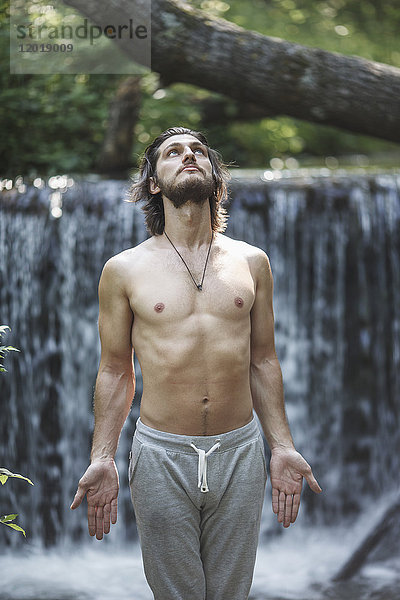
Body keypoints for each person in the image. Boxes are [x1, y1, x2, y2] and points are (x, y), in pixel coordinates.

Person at [71, 126, 322, 600]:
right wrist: (102, 457)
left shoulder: (252, 263)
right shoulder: (124, 270)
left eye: (198, 151)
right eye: (173, 152)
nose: (189, 155)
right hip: (161, 455)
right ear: (154, 183)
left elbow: (263, 360)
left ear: (214, 175)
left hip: (240, 452)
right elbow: (115, 369)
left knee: (231, 593)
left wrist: (283, 446)